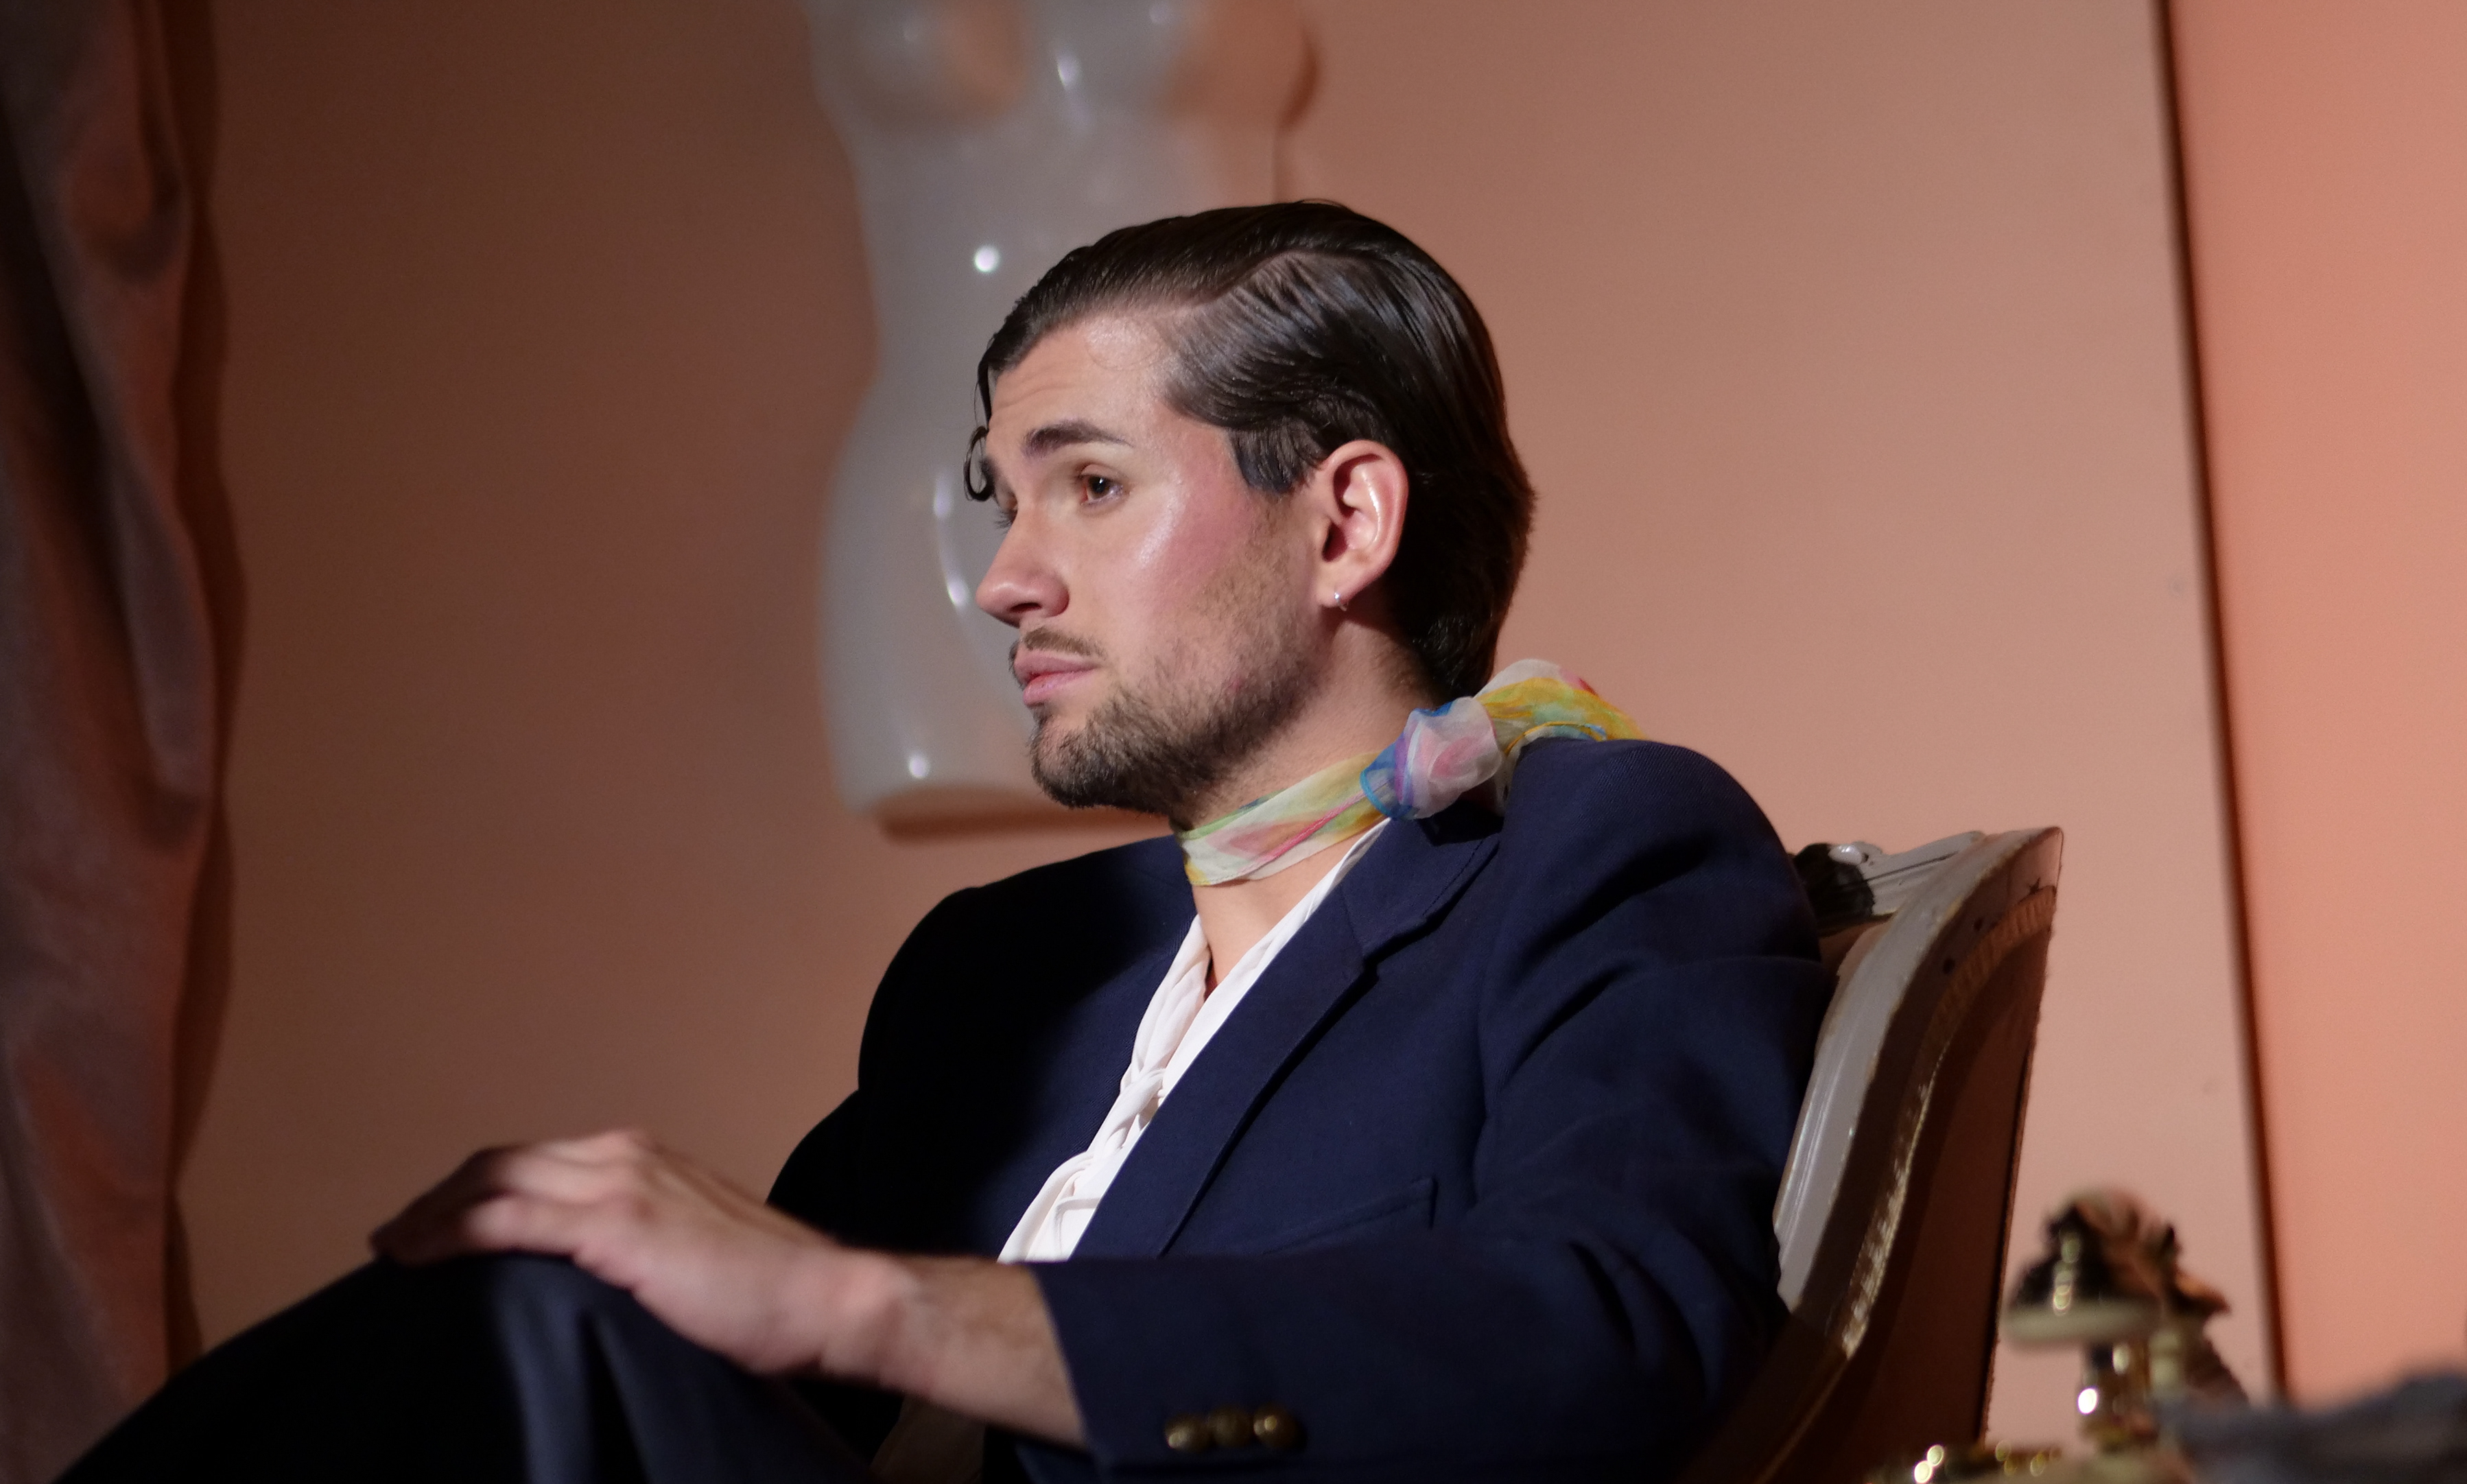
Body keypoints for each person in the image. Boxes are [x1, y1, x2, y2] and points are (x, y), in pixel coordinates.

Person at [64, 203, 1831, 1484]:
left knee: (538, 1326)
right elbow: (734, 1385)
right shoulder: (1006, 971)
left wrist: (886, 1311)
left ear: (1346, 519)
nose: (1003, 581)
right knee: (523, 1292)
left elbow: (1615, 1322)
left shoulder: (1597, 845)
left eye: (1093, 484)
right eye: (1006, 499)